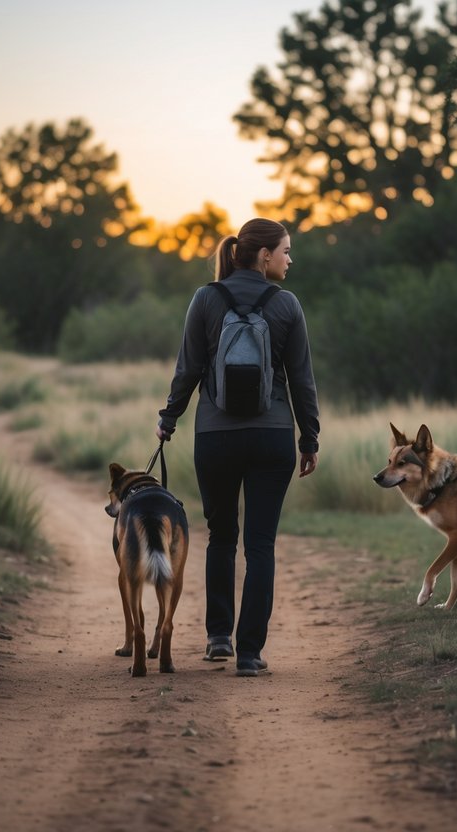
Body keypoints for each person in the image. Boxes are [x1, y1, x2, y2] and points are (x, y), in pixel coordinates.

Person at [155, 218, 320, 677]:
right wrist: (310, 437)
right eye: (286, 251)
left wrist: (169, 418)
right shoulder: (286, 304)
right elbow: (302, 380)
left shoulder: (207, 298)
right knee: (261, 544)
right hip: (272, 436)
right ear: (263, 256)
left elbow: (187, 368)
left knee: (222, 537)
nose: (290, 259)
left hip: (215, 436)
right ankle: (250, 653)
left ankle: (217, 638)